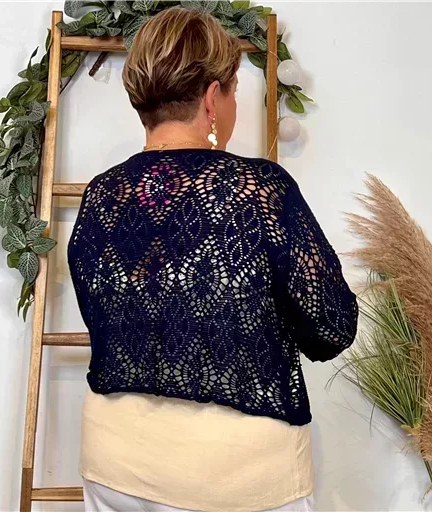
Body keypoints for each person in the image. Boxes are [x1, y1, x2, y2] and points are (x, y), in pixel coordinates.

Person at [67, 7, 359, 512]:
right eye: (233, 91)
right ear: (211, 97)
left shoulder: (102, 195)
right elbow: (331, 327)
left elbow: (108, 316)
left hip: (115, 465)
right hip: (235, 477)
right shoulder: (260, 190)